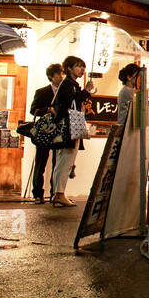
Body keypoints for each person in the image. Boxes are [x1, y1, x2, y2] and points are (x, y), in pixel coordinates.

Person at [49, 55, 91, 208]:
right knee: (65, 161)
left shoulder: (71, 84)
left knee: (66, 161)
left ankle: (59, 193)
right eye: (78, 66)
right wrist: (86, 91)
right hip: (68, 127)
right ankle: (59, 193)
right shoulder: (67, 84)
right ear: (69, 68)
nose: (81, 70)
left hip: (71, 126)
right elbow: (72, 102)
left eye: (82, 67)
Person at [28, 63, 63, 203]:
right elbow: (33, 109)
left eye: (62, 74)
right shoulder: (42, 91)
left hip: (59, 132)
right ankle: (37, 194)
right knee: (40, 162)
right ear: (51, 76)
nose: (61, 77)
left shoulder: (65, 91)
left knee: (57, 164)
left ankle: (55, 192)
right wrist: (48, 109)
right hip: (44, 131)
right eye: (58, 74)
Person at [116, 63, 142, 127]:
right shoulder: (128, 91)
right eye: (138, 77)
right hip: (125, 128)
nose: (140, 80)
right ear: (129, 77)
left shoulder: (126, 90)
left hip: (125, 127)